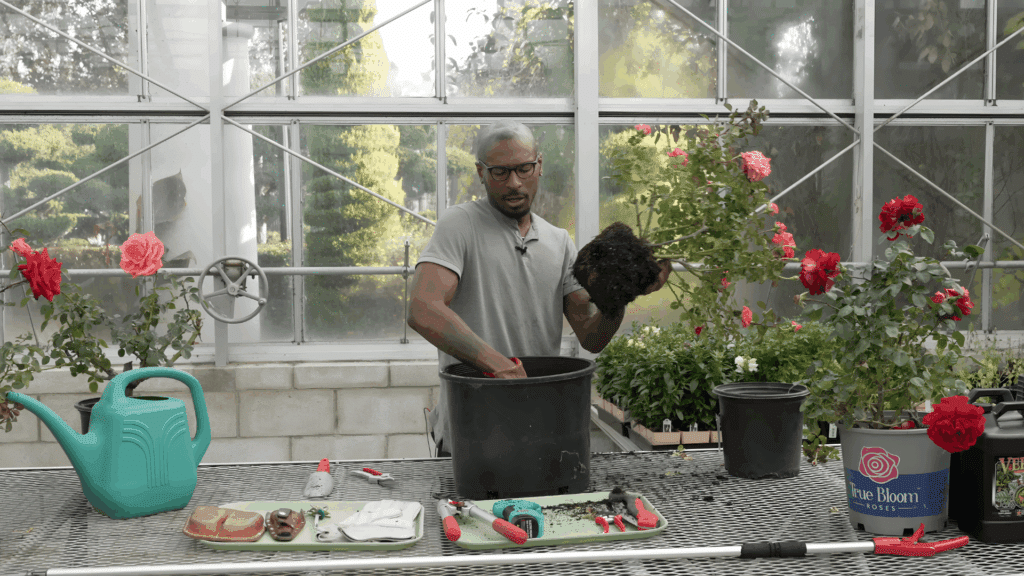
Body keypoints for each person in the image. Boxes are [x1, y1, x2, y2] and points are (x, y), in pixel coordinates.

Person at [406, 120, 670, 457]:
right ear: (480, 172)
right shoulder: (460, 224)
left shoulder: (559, 241)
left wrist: (619, 296)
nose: (514, 183)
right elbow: (423, 308)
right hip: (472, 424)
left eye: (524, 169)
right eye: (500, 172)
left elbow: (591, 337)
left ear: (539, 165)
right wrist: (498, 365)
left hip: (538, 424)